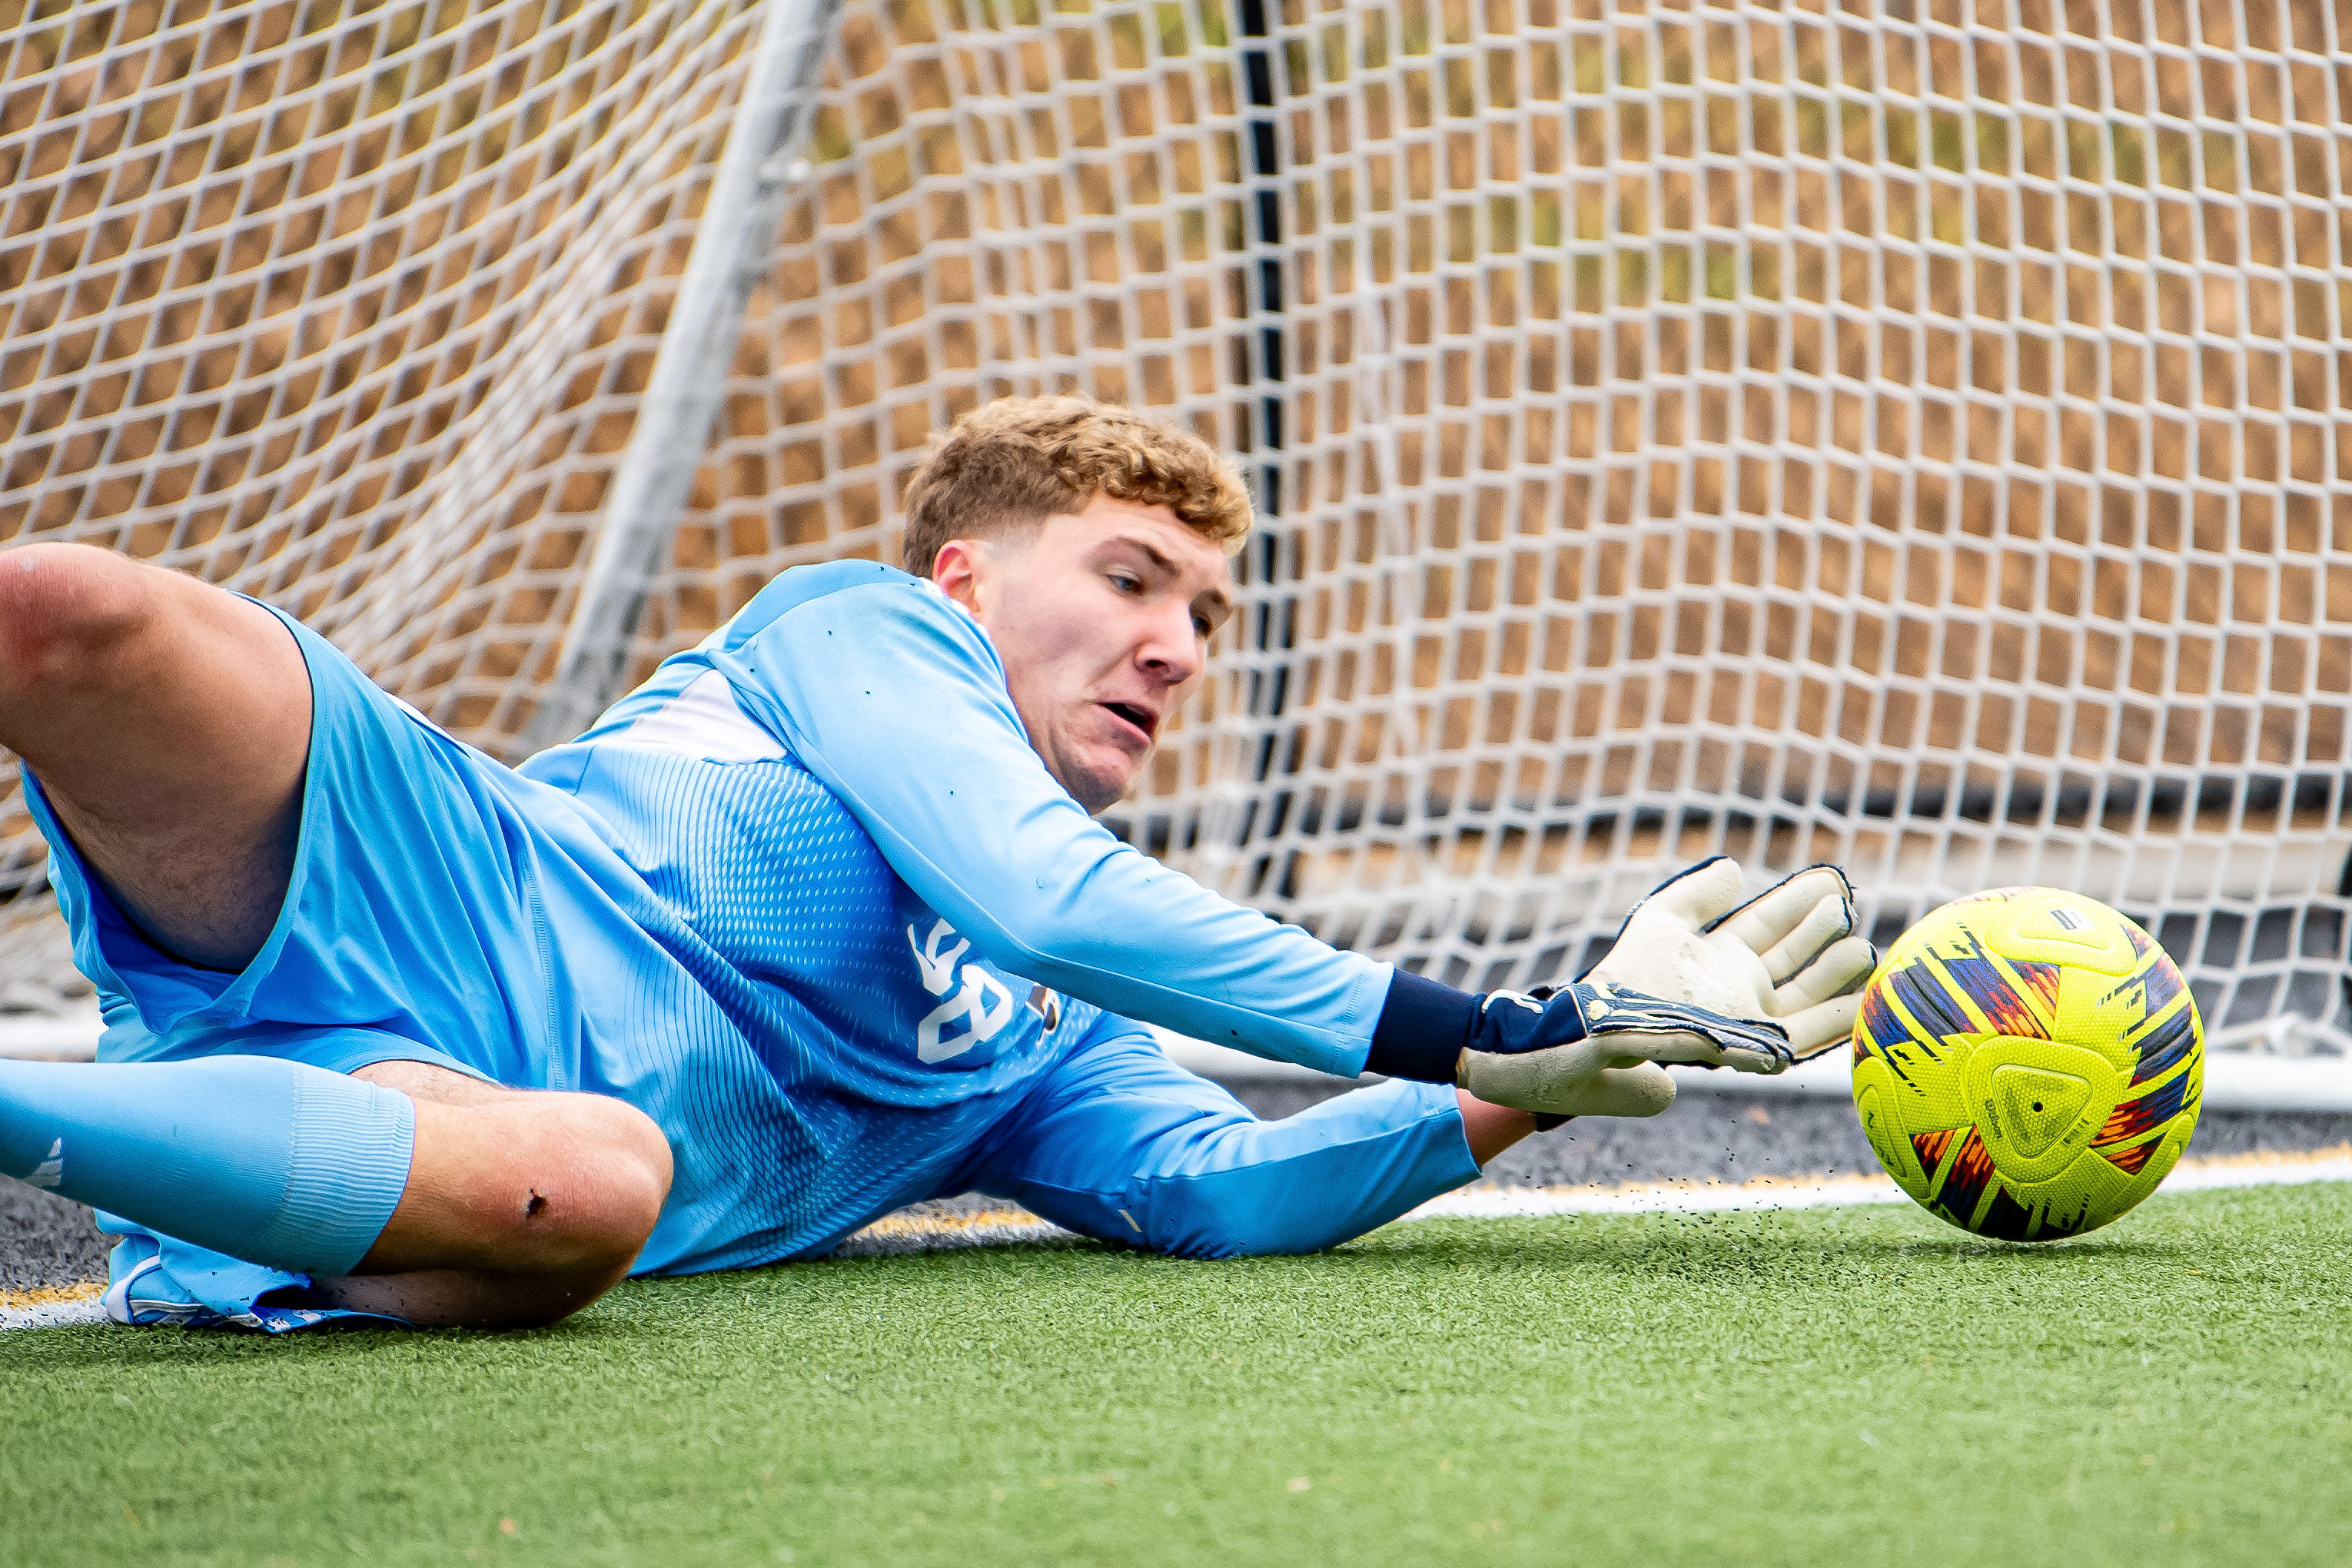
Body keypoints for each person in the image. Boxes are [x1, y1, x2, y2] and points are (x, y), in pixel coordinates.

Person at [0, 397, 1875, 1331]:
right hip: (436, 862)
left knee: (596, 1184)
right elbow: (1037, 889)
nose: (1177, 648)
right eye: (1131, 579)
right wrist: (1483, 1022)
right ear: (963, 582)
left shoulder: (1056, 1034)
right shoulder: (866, 631)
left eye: (1207, 616)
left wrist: (1538, 1084)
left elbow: (1214, 1188)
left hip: (452, 1143)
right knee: (75, 617)